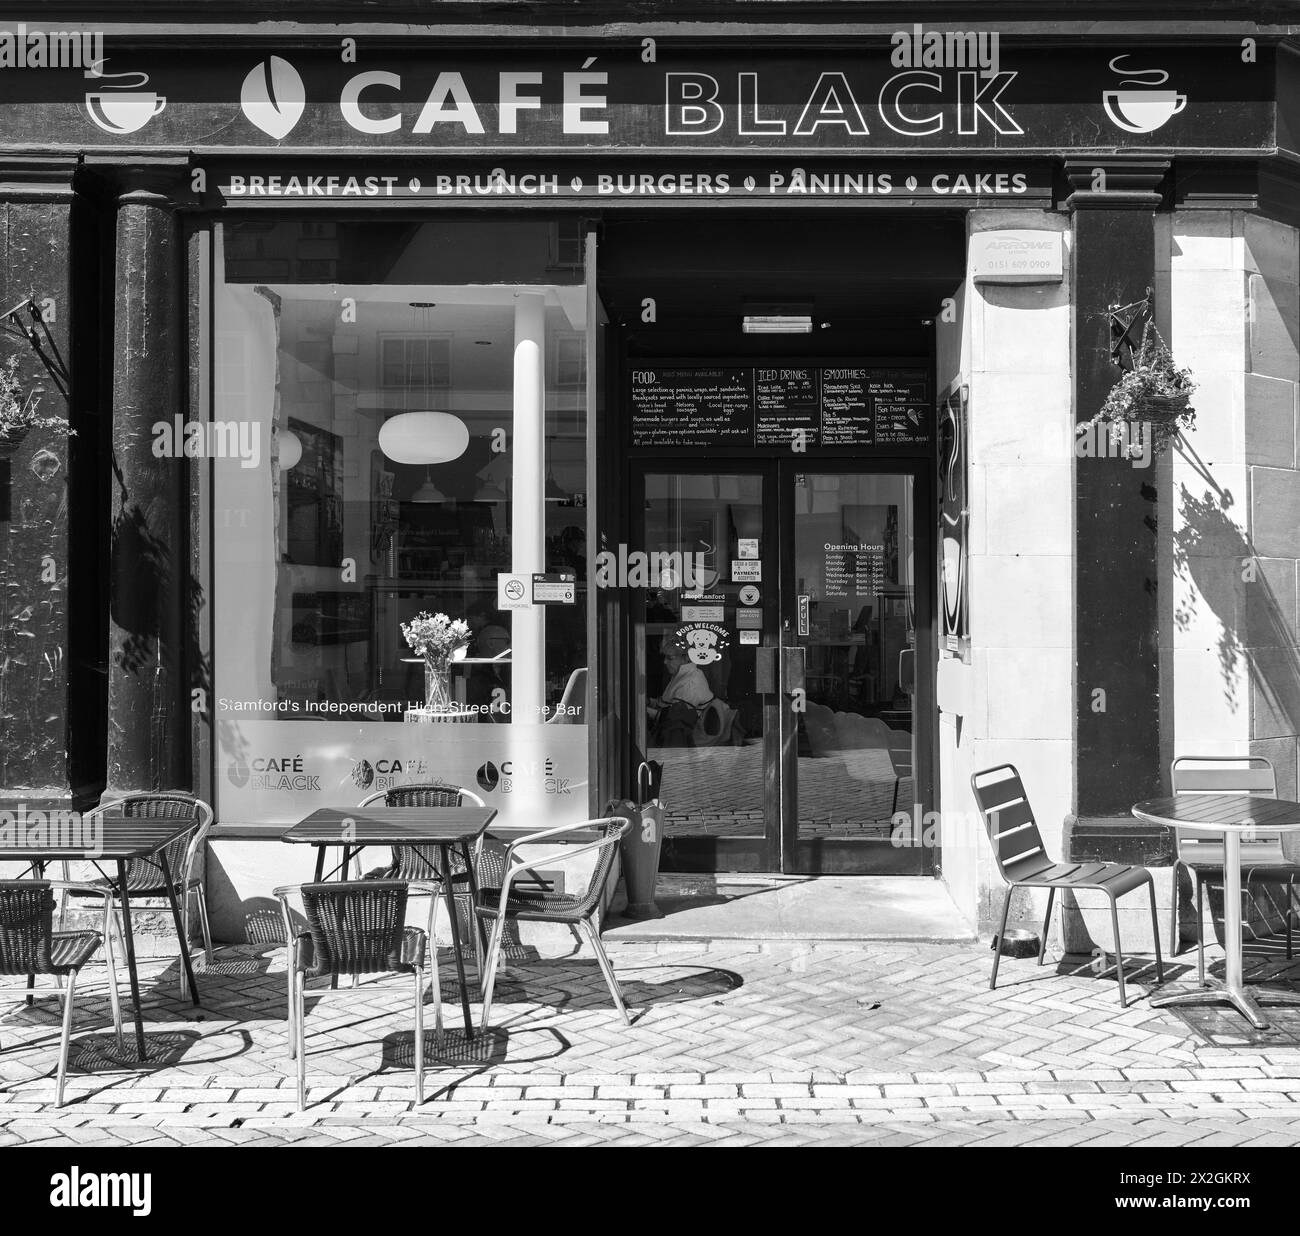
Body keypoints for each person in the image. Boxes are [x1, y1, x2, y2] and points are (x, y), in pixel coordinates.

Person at [647, 641, 712, 745]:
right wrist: (649, 702)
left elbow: (675, 720)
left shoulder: (690, 683)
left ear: (686, 658)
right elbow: (666, 704)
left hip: (683, 741)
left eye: (670, 658)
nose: (664, 662)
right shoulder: (682, 675)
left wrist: (645, 710)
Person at [466, 623, 511, 721]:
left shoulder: (508, 670)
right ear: (491, 644)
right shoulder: (473, 672)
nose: (510, 646)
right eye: (507, 641)